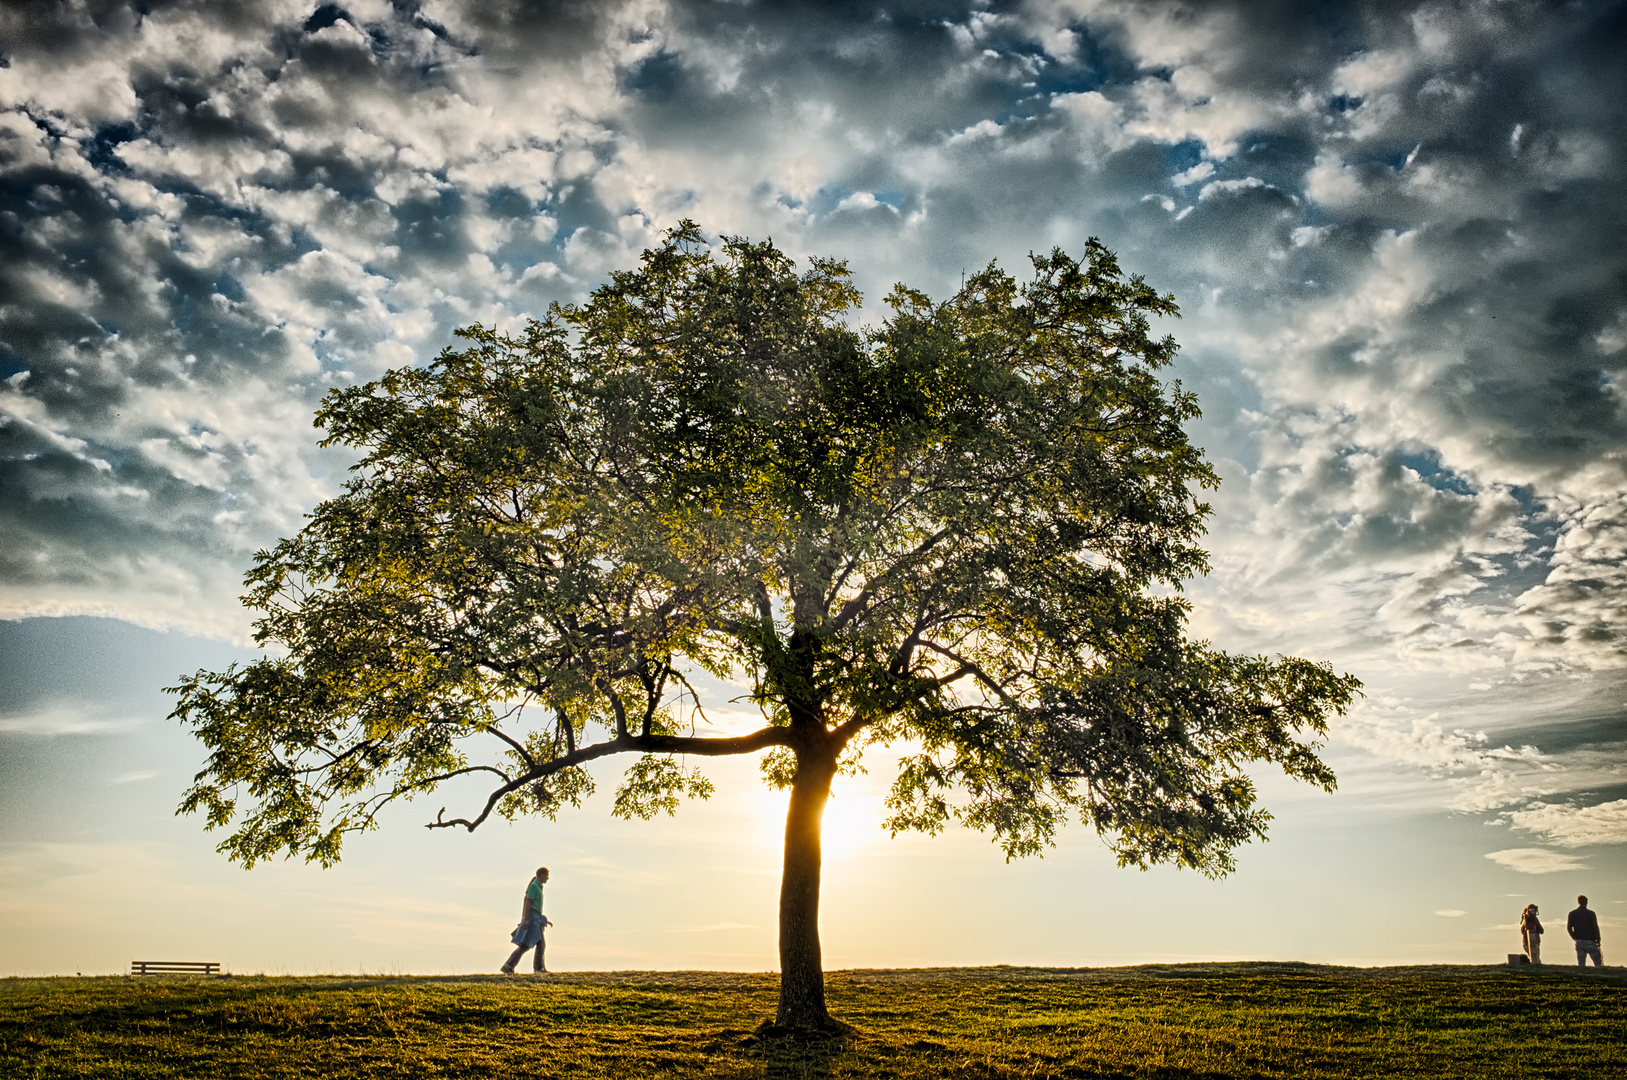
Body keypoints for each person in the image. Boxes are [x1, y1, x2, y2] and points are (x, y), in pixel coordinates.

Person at [501, 866, 552, 975]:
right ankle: (509, 965)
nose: (548, 878)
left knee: (540, 944)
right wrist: (526, 919)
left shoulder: (538, 887)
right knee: (526, 945)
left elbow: (535, 906)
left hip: (536, 918)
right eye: (546, 875)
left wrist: (543, 919)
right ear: (541, 874)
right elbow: (528, 903)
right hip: (532, 919)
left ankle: (538, 968)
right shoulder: (534, 887)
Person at [1567, 894, 1603, 968]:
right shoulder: (1591, 914)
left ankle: (1582, 976)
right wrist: (1598, 939)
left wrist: (1574, 937)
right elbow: (1595, 927)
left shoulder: (1572, 914)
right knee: (1597, 961)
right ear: (1586, 902)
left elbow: (1569, 928)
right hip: (1590, 940)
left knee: (1581, 962)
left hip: (1579, 940)